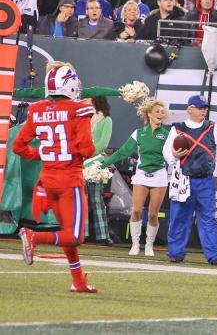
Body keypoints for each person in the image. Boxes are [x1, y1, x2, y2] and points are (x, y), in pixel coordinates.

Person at [14, 63, 98, 293]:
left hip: (47, 179)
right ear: (69, 85)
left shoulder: (38, 109)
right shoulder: (78, 109)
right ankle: (33, 236)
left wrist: (42, 153)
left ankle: (79, 281)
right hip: (69, 179)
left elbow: (18, 146)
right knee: (75, 236)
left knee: (67, 232)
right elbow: (87, 149)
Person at [162, 94, 217, 265]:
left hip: (205, 180)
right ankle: (176, 252)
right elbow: (167, 151)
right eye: (200, 108)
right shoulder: (177, 129)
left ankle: (214, 255)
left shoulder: (213, 128)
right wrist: (173, 155)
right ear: (189, 109)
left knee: (208, 217)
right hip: (184, 179)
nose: (203, 111)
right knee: (179, 217)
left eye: (205, 108)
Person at [99, 98, 170, 256]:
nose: (160, 114)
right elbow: (122, 152)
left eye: (162, 112)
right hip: (142, 176)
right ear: (149, 114)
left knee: (153, 214)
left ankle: (149, 245)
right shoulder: (138, 133)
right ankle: (136, 244)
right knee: (137, 210)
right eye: (157, 111)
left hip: (159, 176)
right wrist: (104, 164)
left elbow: (173, 156)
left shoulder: (167, 135)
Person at [84, 96, 112, 245]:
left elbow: (103, 143)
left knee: (96, 200)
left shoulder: (106, 120)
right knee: (81, 201)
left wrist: (88, 152)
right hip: (80, 163)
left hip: (95, 164)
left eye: (89, 100)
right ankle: (83, 234)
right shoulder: (83, 118)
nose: (85, 102)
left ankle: (103, 235)